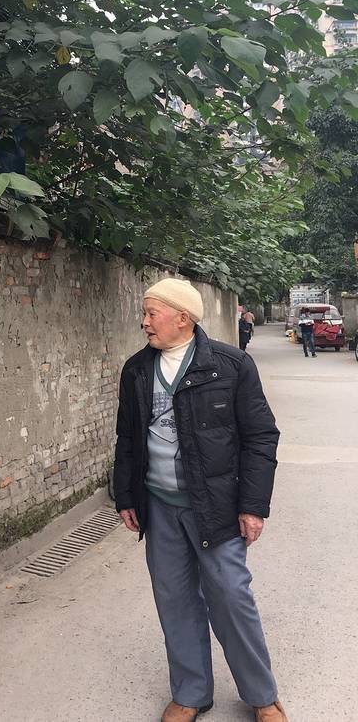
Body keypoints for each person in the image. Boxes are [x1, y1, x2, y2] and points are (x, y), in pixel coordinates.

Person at [113, 278, 287, 722]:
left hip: (216, 506)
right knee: (174, 599)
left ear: (182, 318)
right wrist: (126, 495)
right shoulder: (136, 369)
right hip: (159, 506)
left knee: (231, 597)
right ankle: (190, 693)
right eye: (145, 313)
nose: (144, 322)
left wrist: (253, 505)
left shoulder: (230, 365)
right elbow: (127, 439)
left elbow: (261, 437)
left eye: (152, 313)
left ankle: (261, 696)